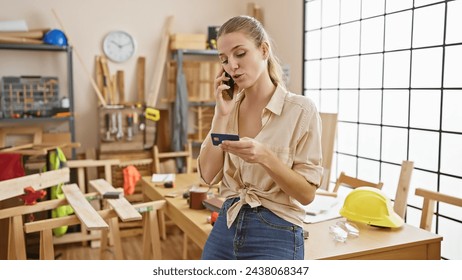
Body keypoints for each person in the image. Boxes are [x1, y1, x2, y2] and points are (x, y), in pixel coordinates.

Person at [197, 15, 323, 260]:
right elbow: (208, 173)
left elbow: (306, 195)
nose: (232, 66)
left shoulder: (301, 110)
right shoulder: (228, 109)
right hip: (227, 222)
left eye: (240, 53)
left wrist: (266, 157)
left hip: (277, 228)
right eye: (224, 60)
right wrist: (220, 116)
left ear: (264, 50)